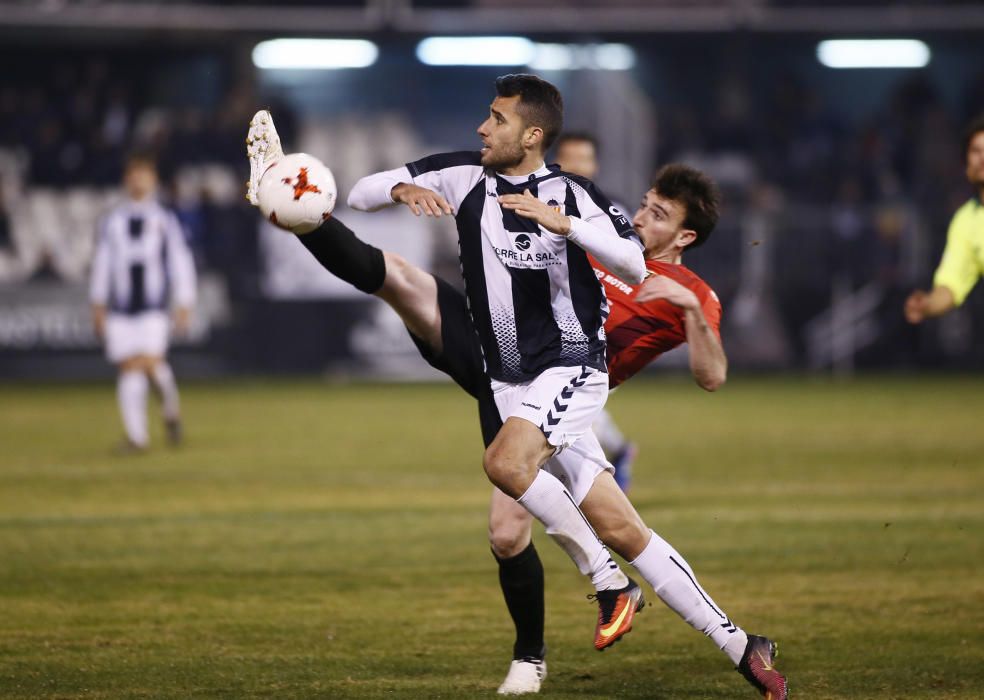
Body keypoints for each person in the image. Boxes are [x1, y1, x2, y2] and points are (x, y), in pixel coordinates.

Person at [244, 85, 787, 698]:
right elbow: (380, 192)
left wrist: (676, 298)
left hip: (563, 381)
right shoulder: (503, 191)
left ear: (685, 237)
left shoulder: (641, 260)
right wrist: (403, 188)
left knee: (544, 518)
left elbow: (696, 351)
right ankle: (290, 202)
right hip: (499, 364)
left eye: (659, 214)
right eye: (644, 205)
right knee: (395, 276)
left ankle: (712, 634)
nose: (640, 215)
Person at [90, 152, 195, 451]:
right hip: (121, 310)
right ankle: (138, 437)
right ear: (126, 179)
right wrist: (97, 303)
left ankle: (169, 409)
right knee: (130, 367)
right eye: (133, 173)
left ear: (154, 180)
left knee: (149, 363)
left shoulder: (164, 220)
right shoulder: (113, 221)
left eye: (144, 173)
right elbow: (102, 264)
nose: (138, 179)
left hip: (153, 308)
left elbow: (180, 262)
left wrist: (184, 301)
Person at [554, 131, 636, 491]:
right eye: (568, 157)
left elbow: (631, 264)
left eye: (582, 158)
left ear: (595, 164)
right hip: (552, 316)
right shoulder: (539, 199)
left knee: (575, 402)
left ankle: (592, 486)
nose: (575, 165)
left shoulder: (612, 208)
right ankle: (615, 455)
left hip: (596, 321)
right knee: (573, 402)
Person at [904, 115, 984, 324]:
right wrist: (928, 304)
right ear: (966, 163)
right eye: (976, 151)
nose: (982, 157)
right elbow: (951, 285)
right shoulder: (966, 221)